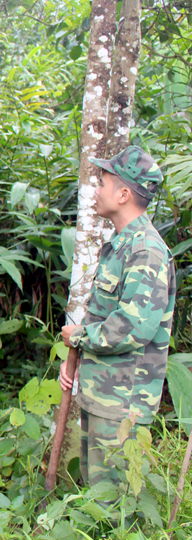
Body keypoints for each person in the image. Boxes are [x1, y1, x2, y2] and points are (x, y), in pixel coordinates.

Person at [59, 146, 175, 489]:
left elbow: (132, 327)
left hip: (123, 404)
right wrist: (77, 360)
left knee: (111, 500)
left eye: (102, 183)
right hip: (102, 393)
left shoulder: (146, 251)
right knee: (96, 492)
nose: (95, 190)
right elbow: (105, 313)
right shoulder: (122, 244)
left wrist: (79, 337)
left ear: (123, 195)